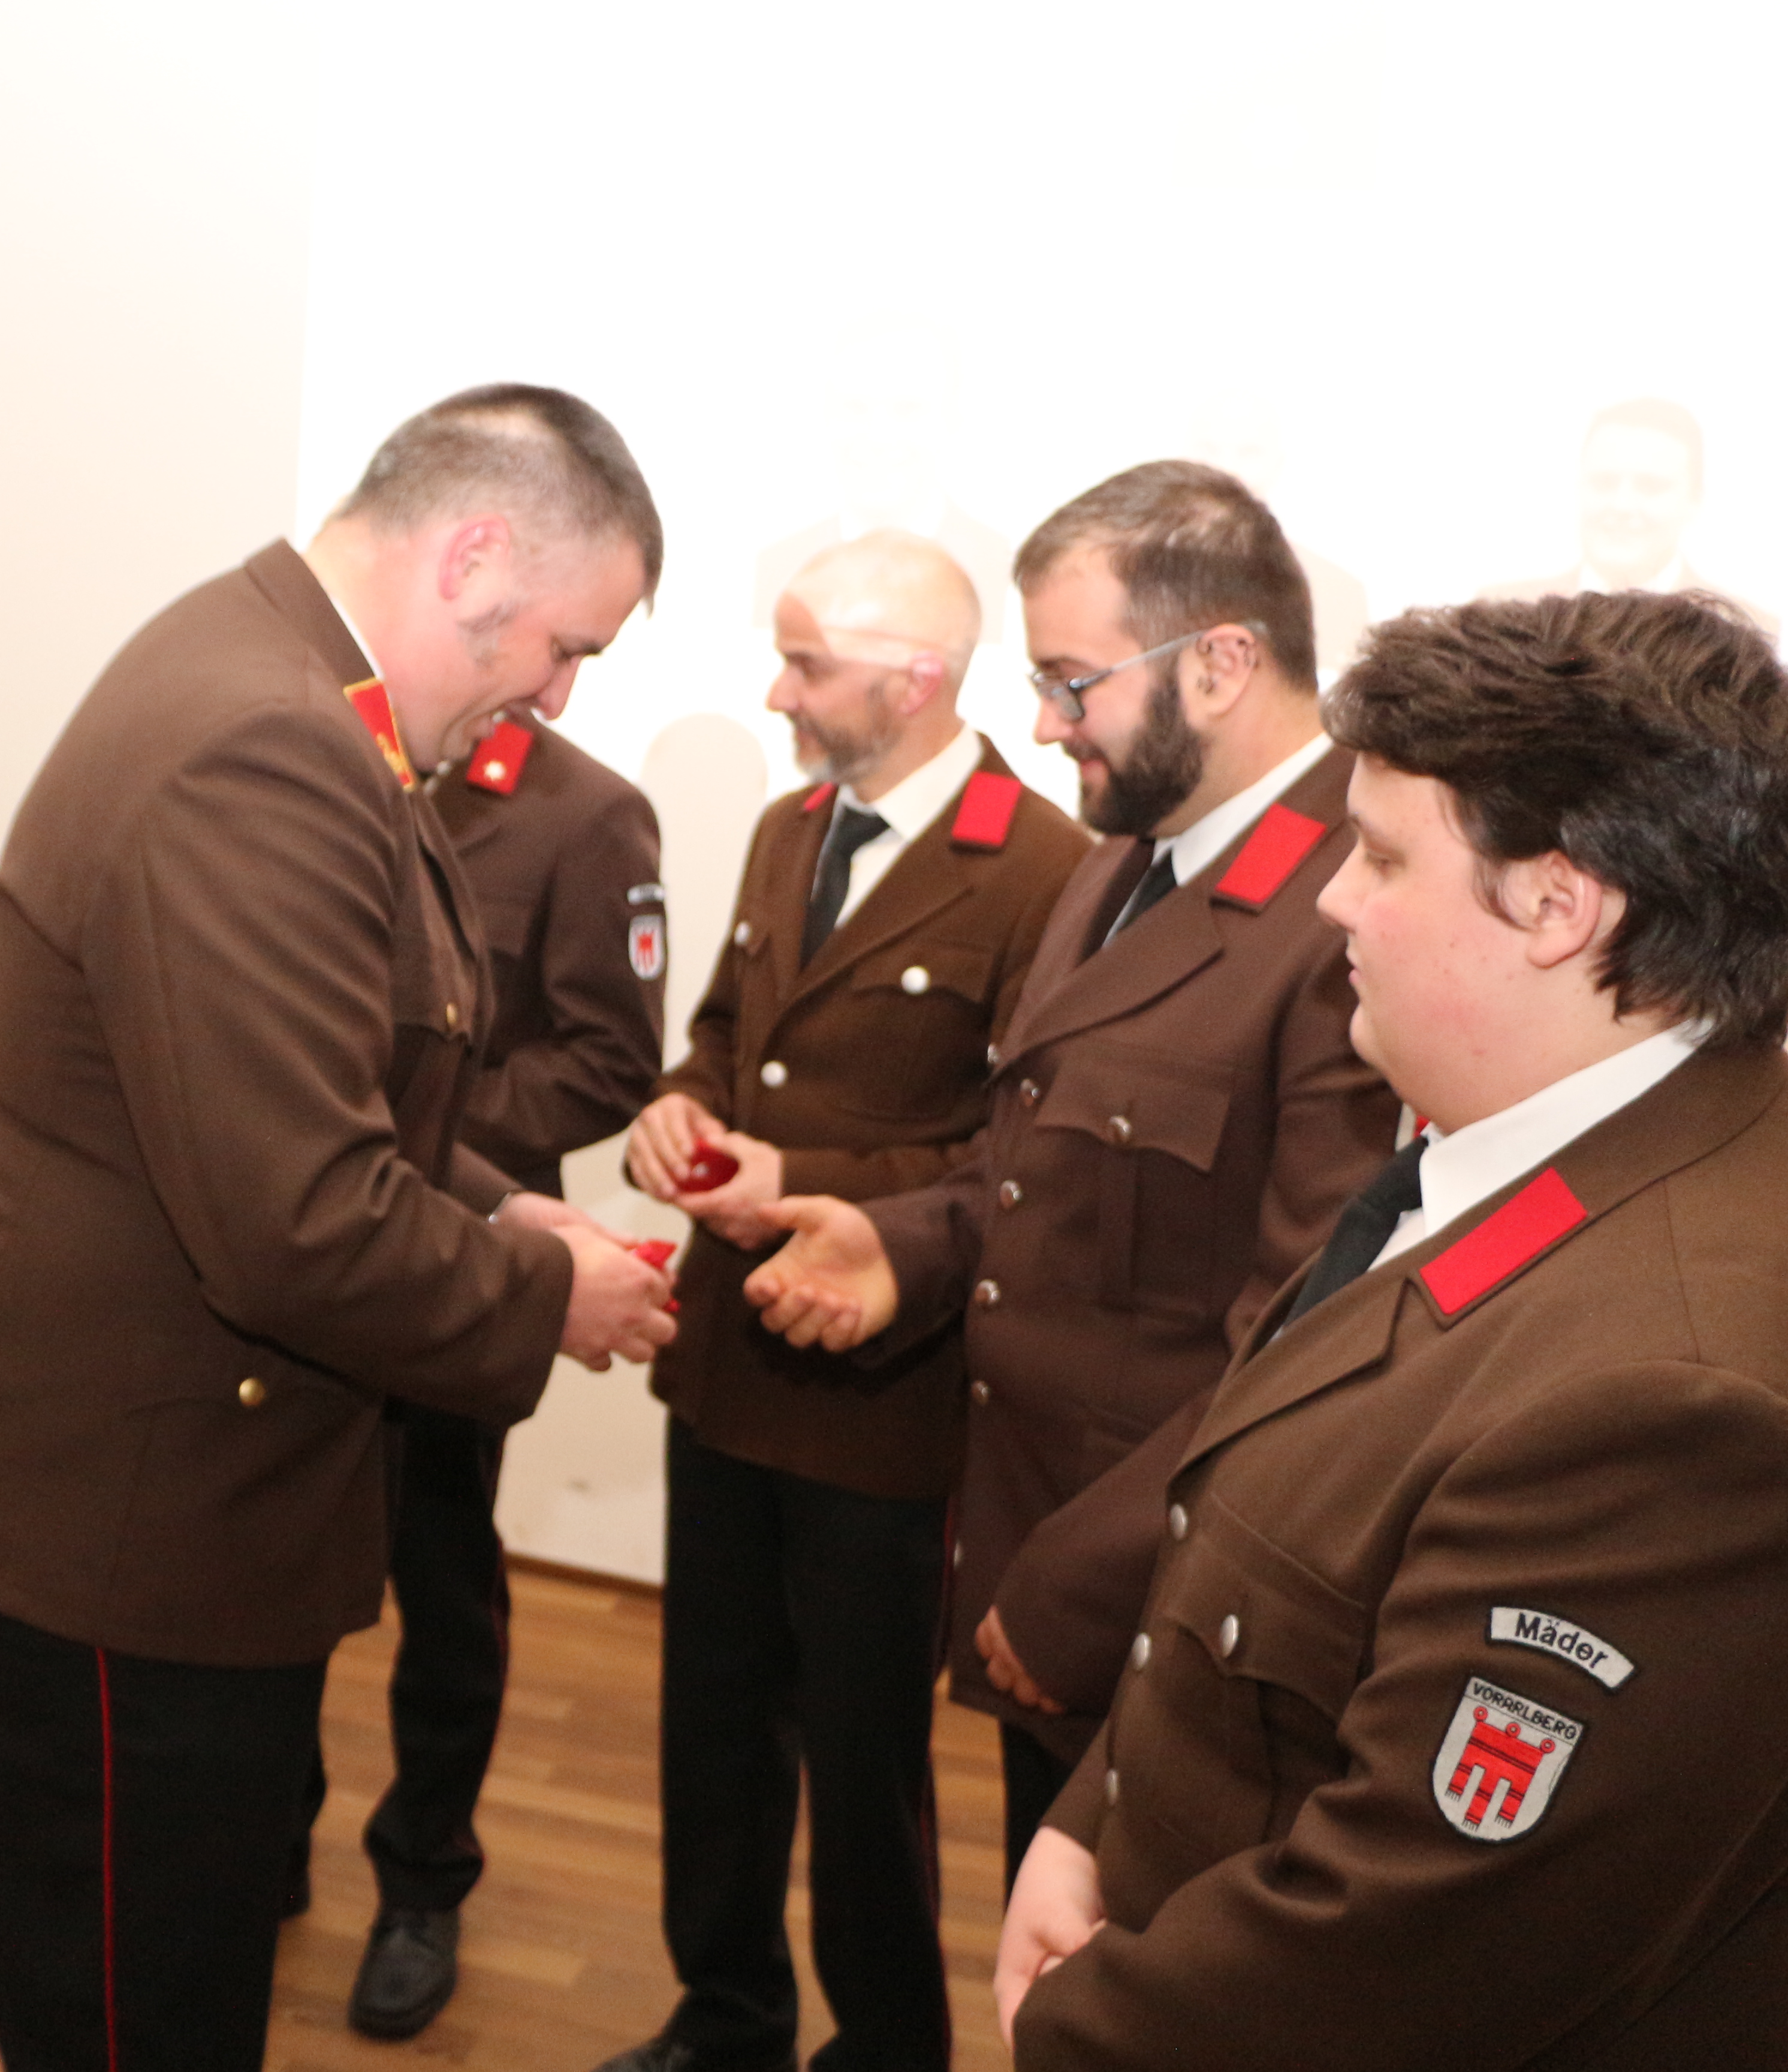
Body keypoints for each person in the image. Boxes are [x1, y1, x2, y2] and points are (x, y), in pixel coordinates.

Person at [988, 590, 1788, 2065]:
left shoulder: (1684, 1412)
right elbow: (1255, 1596)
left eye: (1384, 856)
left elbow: (1405, 1950)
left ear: (1556, 905)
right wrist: (1088, 1825)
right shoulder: (1550, 1156)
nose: (1332, 900)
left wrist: (1074, 2023)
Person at [0, 386, 679, 2072]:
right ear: (472, 557)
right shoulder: (270, 740)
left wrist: (499, 1201)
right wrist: (548, 1289)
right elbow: (296, 1220)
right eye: (564, 647)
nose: (557, 697)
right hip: (106, 1529)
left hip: (153, 1499)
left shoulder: (286, 679)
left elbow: (305, 1092)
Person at [743, 463, 1398, 1896]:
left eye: (1070, 683)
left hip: (1169, 1611)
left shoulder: (1353, 905)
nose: (1042, 725)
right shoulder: (1121, 863)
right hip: (1041, 1548)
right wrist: (901, 1245)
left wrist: (1078, 1583)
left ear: (1219, 665)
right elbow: (1030, 1169)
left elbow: (1305, 1340)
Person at [592, 531, 1089, 2072]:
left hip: (885, 1390)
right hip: (729, 1363)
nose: (777, 692)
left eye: (805, 664)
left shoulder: (1043, 872)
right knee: (711, 1727)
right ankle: (725, 2014)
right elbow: (723, 1037)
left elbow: (1016, 1157)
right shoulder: (785, 826)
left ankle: (885, 2046)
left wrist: (795, 1173)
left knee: (866, 1763)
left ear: (914, 677)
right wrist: (674, 1112)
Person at [323, 714, 669, 2040]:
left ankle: (422, 1882)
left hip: (464, 1255)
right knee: (277, 1542)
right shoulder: (342, 759)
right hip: (305, 1236)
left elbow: (607, 1061)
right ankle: (271, 1829)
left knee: (443, 1579)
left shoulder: (587, 814)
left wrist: (408, 1137)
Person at [1481, 396, 1778, 636]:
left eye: (1651, 487)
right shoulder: (1502, 612)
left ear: (1694, 501)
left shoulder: (1746, 628)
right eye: (1604, 483)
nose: (1622, 506)